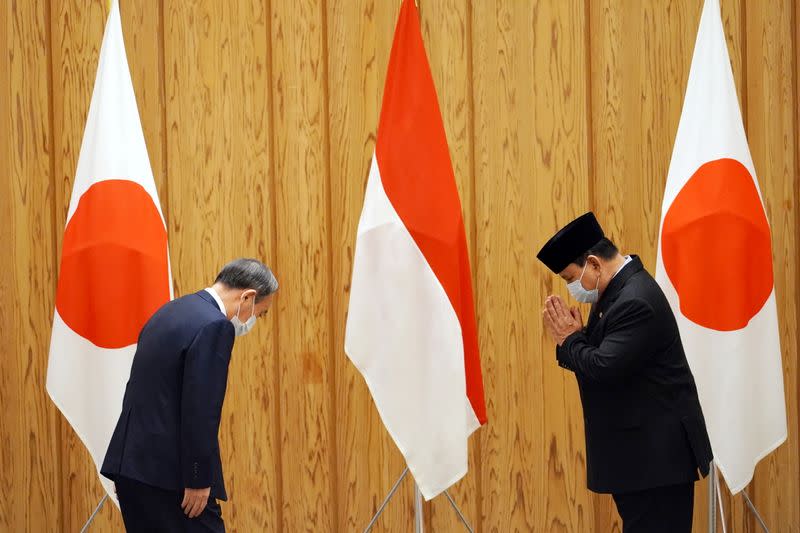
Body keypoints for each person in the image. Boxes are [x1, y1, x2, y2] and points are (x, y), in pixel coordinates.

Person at [537, 212, 713, 533]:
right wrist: (576, 342)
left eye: (569, 278)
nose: (572, 288)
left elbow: (604, 367)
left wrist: (570, 339)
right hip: (640, 461)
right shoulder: (615, 293)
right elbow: (601, 363)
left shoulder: (635, 300)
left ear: (593, 264)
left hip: (656, 463)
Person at [101, 258, 278, 532]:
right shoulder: (214, 326)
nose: (254, 320)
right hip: (172, 479)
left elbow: (140, 390)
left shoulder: (169, 312)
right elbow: (201, 411)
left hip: (132, 468)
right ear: (248, 297)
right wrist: (197, 478)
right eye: (260, 313)